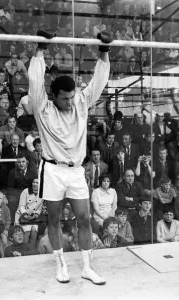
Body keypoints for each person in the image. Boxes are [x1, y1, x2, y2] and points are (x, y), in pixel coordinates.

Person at [28, 29, 111, 284]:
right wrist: (41, 49)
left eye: (72, 97)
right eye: (65, 99)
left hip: (76, 171)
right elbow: (34, 81)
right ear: (53, 97)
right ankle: (60, 264)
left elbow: (98, 81)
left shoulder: (81, 104)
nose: (70, 102)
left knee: (84, 218)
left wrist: (104, 51)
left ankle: (87, 267)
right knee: (53, 219)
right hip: (52, 170)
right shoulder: (43, 107)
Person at [14, 178, 44, 247]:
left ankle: (31, 250)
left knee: (34, 230)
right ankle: (24, 250)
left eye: (37, 183)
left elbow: (39, 209)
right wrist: (25, 215)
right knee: (26, 232)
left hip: (32, 218)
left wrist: (36, 215)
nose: (35, 184)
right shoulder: (26, 191)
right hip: (22, 216)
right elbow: (21, 206)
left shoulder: (42, 194)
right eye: (34, 182)